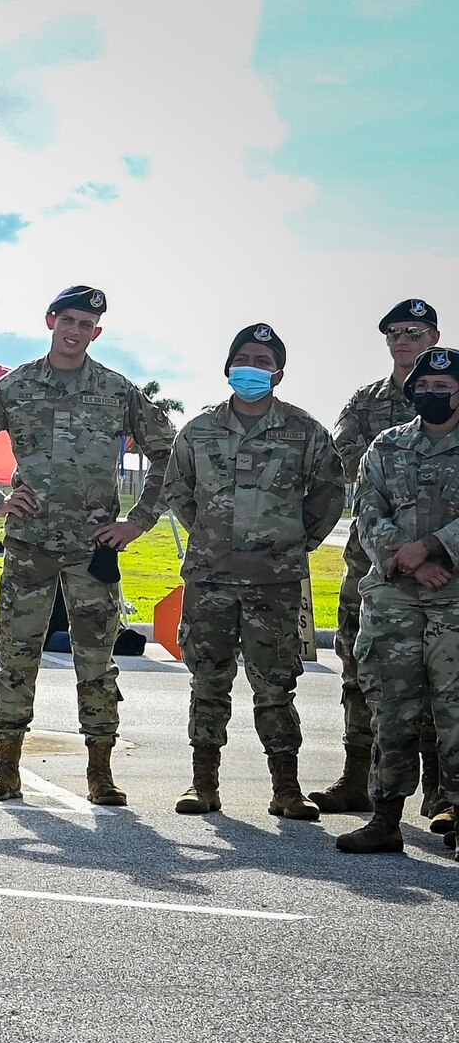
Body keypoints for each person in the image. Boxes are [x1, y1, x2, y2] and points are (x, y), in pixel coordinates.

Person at [0, 285, 176, 806]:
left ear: (98, 332)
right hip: (30, 547)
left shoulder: (117, 391)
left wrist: (137, 522)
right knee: (16, 656)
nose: (75, 331)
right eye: (68, 320)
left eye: (87, 324)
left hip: (93, 549)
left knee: (96, 661)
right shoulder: (18, 386)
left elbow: (170, 454)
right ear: (50, 320)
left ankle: (100, 772)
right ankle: (6, 769)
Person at [163, 324, 345, 818]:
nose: (252, 368)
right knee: (207, 681)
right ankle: (203, 785)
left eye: (263, 361)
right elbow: (178, 491)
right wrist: (211, 538)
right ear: (228, 367)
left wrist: (295, 543)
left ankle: (286, 788)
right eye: (243, 358)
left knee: (276, 684)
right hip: (211, 579)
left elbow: (329, 492)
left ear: (278, 373)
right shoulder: (198, 430)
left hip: (275, 582)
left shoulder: (304, 431)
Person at [312, 299, 443, 821]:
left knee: (440, 675)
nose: (403, 340)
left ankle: (439, 789)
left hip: (444, 567)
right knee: (358, 669)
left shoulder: (450, 391)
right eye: (394, 333)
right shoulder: (367, 401)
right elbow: (344, 464)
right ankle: (356, 779)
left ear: (433, 337)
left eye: (414, 332)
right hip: (372, 562)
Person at [335, 346, 459, 854]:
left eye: (442, 389)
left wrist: (431, 546)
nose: (430, 395)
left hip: (453, 601)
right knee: (392, 707)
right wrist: (409, 560)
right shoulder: (387, 447)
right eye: (423, 389)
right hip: (393, 599)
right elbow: (368, 511)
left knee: (454, 711)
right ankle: (385, 818)